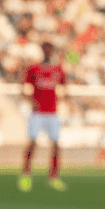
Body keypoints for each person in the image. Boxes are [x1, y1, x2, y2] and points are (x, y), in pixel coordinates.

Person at [18, 42, 67, 192]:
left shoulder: (58, 70)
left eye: (50, 49)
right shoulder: (33, 69)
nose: (48, 52)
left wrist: (61, 101)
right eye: (45, 49)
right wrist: (32, 102)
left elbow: (64, 88)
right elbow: (23, 88)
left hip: (52, 113)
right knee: (32, 143)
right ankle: (26, 175)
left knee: (56, 145)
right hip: (37, 113)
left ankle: (53, 176)